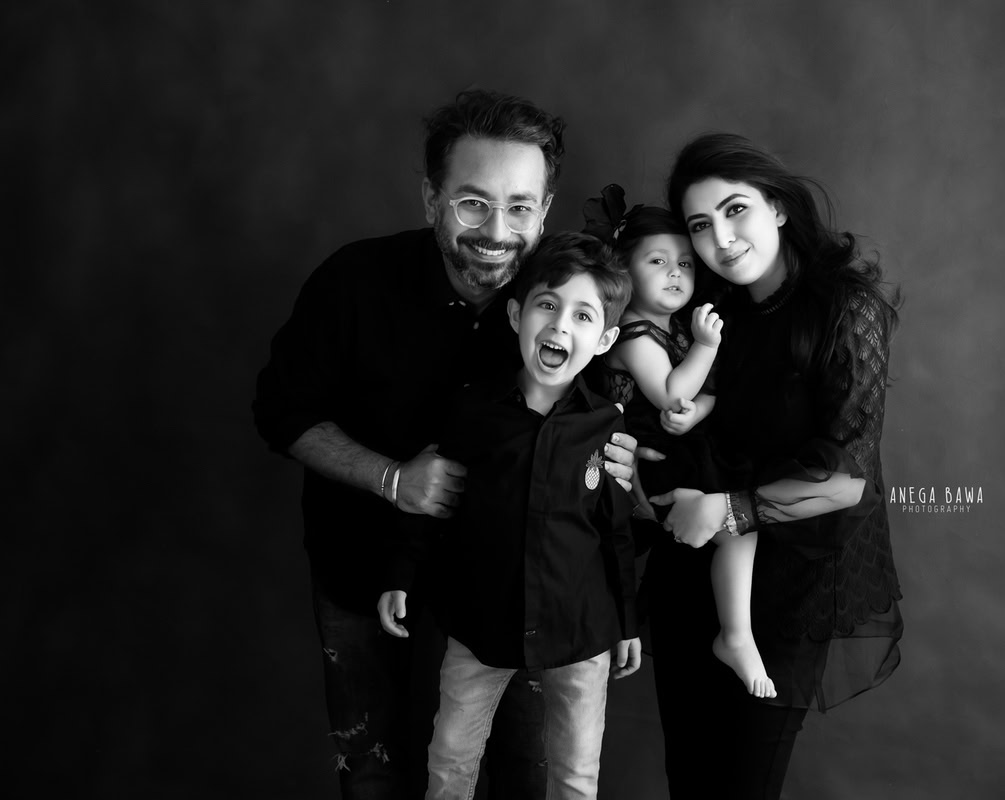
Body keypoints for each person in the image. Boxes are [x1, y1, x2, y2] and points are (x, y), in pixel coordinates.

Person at [252, 90, 639, 800]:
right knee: (376, 770)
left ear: (545, 211)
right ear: (431, 197)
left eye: (520, 206)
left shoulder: (558, 300)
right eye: (472, 203)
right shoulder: (353, 284)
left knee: (527, 773)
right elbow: (280, 412)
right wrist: (391, 479)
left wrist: (624, 460)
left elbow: (636, 387)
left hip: (518, 589)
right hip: (365, 559)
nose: (496, 230)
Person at [645, 133, 904, 799]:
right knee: (691, 780)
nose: (721, 240)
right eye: (701, 226)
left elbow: (847, 478)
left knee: (741, 786)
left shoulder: (845, 311)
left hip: (787, 588)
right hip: (692, 573)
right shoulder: (712, 310)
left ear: (780, 208)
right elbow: (666, 402)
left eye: (736, 211)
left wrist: (730, 510)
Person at [378, 232, 640, 800]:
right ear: (518, 314)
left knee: (574, 774)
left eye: (583, 316)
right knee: (450, 759)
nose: (560, 327)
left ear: (605, 340)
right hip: (479, 621)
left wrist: (626, 620)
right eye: (547, 305)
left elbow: (615, 532)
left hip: (581, 628)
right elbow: (434, 503)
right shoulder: (473, 410)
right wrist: (402, 575)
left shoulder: (606, 429)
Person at [584, 188, 776, 699]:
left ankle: (735, 633)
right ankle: (735, 635)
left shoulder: (673, 331)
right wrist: (707, 347)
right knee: (739, 530)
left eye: (685, 264)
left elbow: (704, 398)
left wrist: (700, 407)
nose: (675, 272)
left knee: (741, 528)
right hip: (653, 463)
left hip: (684, 452)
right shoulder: (632, 333)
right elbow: (671, 394)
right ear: (624, 271)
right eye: (658, 261)